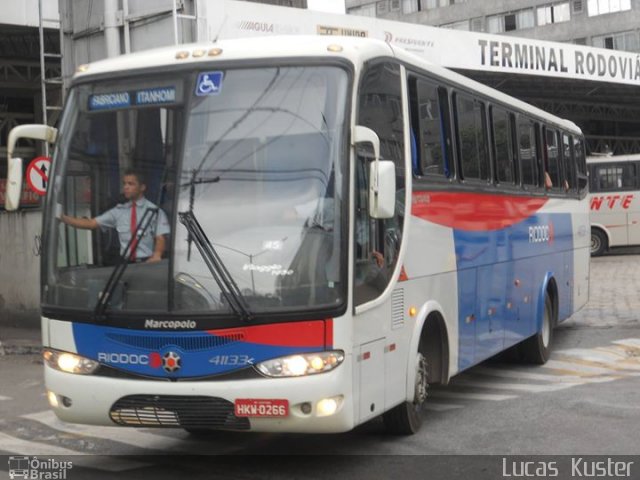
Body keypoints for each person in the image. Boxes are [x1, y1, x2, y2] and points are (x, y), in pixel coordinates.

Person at [60, 169, 170, 263]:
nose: (126, 187)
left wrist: (157, 255)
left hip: (146, 262)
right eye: (124, 183)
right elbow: (91, 223)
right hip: (124, 265)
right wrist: (64, 218)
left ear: (142, 187)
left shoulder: (154, 211)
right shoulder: (119, 211)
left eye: (131, 184)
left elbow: (160, 238)